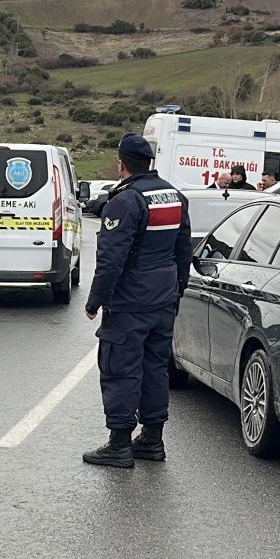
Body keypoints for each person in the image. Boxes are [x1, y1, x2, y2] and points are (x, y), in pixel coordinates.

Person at [82, 133, 193, 468]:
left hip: (131, 301)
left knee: (120, 368)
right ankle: (152, 440)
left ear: (121, 163)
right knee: (155, 368)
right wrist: (178, 290)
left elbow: (111, 259)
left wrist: (94, 301)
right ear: (149, 163)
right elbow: (183, 249)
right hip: (163, 298)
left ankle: (119, 445)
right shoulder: (174, 196)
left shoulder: (125, 201)